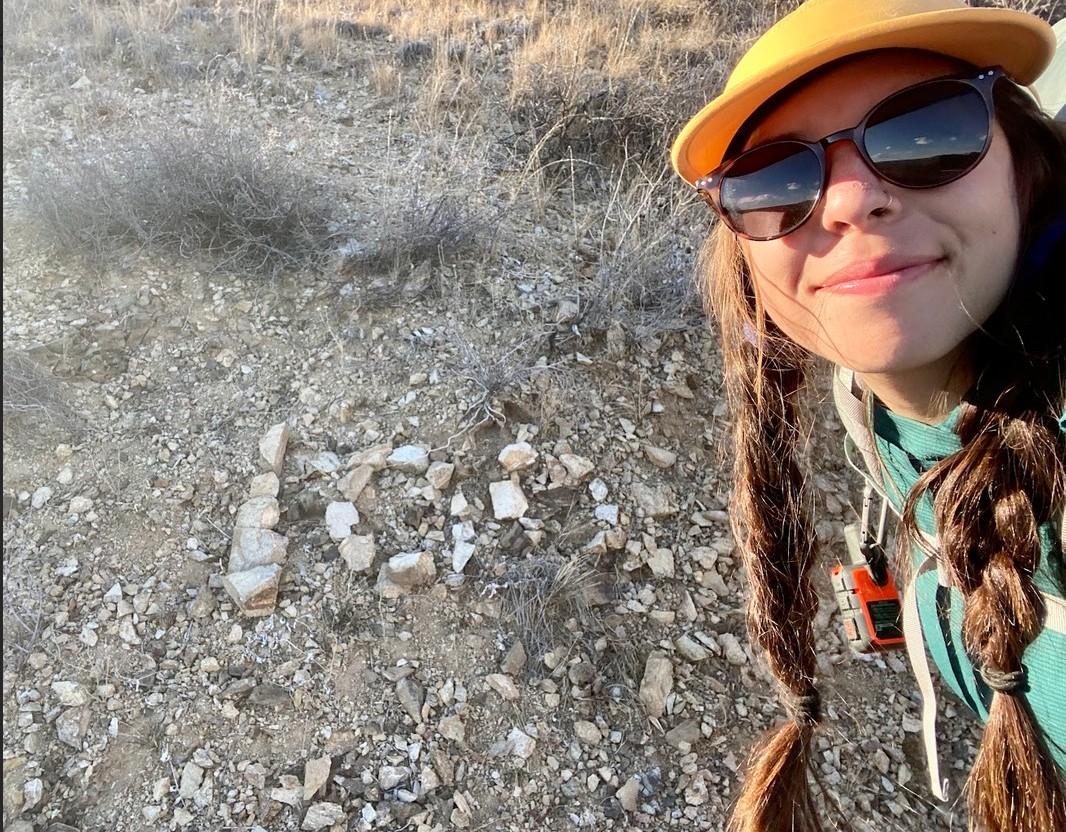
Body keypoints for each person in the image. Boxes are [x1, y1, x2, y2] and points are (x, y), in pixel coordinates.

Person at [670, 2, 1066, 831]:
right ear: (745, 261)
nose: (850, 200)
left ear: (1026, 168)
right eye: (774, 180)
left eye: (928, 132)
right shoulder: (878, 397)